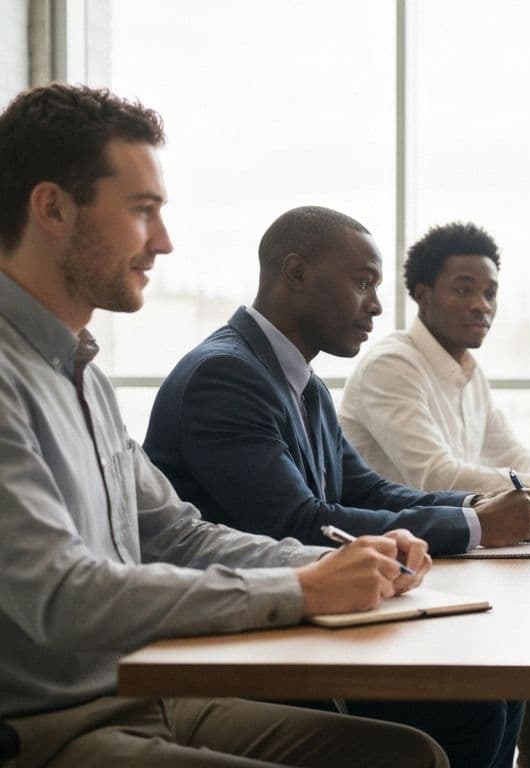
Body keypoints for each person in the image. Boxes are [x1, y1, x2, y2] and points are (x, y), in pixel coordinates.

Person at [0, 83, 447, 767]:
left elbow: (173, 532)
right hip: (47, 731)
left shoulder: (82, 371)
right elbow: (65, 596)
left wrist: (336, 563)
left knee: (409, 756)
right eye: (143, 211)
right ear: (53, 208)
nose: (165, 241)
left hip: (141, 694)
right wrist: (301, 589)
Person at [144, 206, 530, 767]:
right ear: (296, 273)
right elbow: (297, 522)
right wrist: (477, 525)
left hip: (315, 616)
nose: (378, 305)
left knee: (501, 685)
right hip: (249, 638)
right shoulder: (226, 375)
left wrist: (475, 506)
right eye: (363, 283)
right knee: (474, 704)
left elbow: (369, 491)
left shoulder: (295, 377)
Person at [338, 220, 530, 768]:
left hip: (462, 553)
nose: (481, 305)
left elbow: (514, 456)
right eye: (464, 289)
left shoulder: (465, 369)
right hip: (417, 559)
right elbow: (434, 473)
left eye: (490, 292)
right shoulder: (393, 363)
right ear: (422, 294)